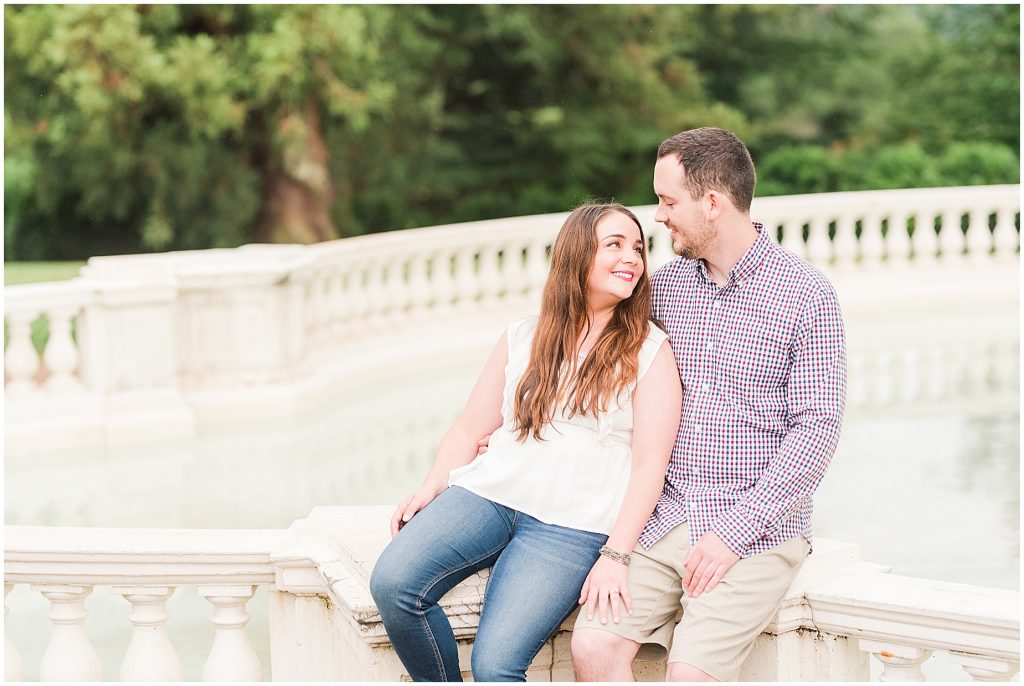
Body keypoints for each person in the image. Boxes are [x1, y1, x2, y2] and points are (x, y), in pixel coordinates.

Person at [570, 128, 847, 682]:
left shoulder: (806, 294)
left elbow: (815, 431)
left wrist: (734, 532)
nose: (659, 217)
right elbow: (591, 357)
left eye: (669, 202)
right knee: (593, 646)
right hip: (667, 515)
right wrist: (513, 429)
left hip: (757, 530)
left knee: (688, 676)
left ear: (712, 203)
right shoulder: (665, 289)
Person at [369, 202, 682, 682]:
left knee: (496, 667)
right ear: (577, 256)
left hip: (571, 527)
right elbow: (470, 428)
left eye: (638, 248)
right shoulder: (523, 337)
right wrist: (431, 485)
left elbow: (649, 469)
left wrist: (616, 556)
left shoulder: (649, 352)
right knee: (394, 584)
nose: (633, 259)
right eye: (615, 246)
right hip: (491, 495)